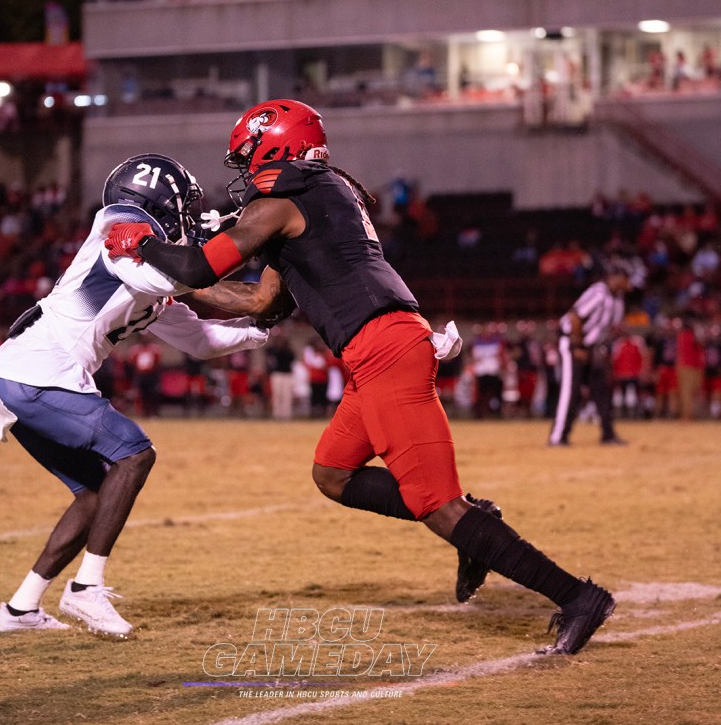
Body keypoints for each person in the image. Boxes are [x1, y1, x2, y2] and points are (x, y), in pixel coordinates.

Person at [106, 100, 616, 656]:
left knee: (439, 507)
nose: (246, 172)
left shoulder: (285, 204)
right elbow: (261, 301)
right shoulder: (317, 197)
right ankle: (475, 523)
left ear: (279, 147)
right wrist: (169, 283)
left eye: (250, 157)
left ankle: (578, 597)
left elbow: (205, 266)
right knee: (333, 473)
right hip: (373, 350)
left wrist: (147, 247)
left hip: (386, 349)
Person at [0, 153, 269, 636]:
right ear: (163, 201)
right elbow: (158, 276)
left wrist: (260, 327)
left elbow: (201, 341)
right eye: (187, 207)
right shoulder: (121, 224)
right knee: (133, 454)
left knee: (94, 494)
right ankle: (85, 589)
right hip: (35, 373)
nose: (194, 220)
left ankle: (20, 608)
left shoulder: (152, 270)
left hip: (27, 375)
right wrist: (210, 268)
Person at [548, 261, 632, 447]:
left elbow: (609, 329)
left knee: (602, 389)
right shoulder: (599, 293)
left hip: (592, 347)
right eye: (626, 279)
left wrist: (600, 350)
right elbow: (575, 317)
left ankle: (608, 434)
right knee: (571, 390)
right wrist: (578, 346)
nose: (629, 284)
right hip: (571, 342)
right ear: (616, 278)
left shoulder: (618, 299)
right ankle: (558, 436)